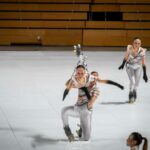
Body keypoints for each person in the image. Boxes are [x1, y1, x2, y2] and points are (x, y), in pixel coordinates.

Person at [61, 65, 124, 142]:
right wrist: (73, 78)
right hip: (77, 108)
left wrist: (118, 85)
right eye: (92, 77)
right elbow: (68, 85)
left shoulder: (96, 90)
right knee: (64, 110)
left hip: (86, 111)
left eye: (96, 78)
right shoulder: (83, 82)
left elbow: (90, 103)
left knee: (86, 138)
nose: (94, 79)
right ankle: (69, 132)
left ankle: (82, 128)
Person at [118, 37, 148, 103]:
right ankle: (131, 93)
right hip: (129, 66)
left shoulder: (142, 51)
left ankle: (134, 90)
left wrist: (145, 74)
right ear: (133, 43)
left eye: (138, 43)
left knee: (137, 83)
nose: (137, 44)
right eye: (135, 43)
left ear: (140, 44)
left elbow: (143, 62)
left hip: (138, 67)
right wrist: (122, 64)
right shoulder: (129, 48)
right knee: (133, 81)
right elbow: (126, 56)